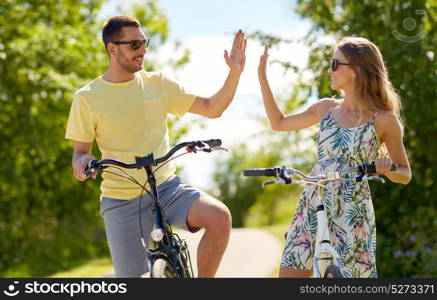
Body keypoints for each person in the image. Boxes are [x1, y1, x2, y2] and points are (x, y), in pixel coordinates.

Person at [65, 16, 246, 278]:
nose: (143, 51)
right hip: (121, 199)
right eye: (135, 45)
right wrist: (82, 162)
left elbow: (212, 108)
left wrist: (235, 72)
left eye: (144, 43)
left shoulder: (157, 84)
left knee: (219, 217)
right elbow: (80, 152)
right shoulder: (87, 98)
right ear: (112, 49)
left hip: (166, 188)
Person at [258, 37, 411, 278]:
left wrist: (388, 168)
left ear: (357, 70)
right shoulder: (326, 108)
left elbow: (404, 174)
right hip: (313, 202)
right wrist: (263, 78)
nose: (330, 70)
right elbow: (279, 123)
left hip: (352, 212)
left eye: (335, 63)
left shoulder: (384, 120)